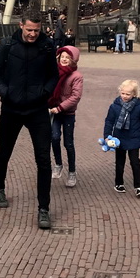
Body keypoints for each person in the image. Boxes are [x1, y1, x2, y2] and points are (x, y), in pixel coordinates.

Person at [0, 9, 60, 230]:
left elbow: (54, 75)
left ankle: (43, 209)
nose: (32, 34)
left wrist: (45, 92)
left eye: (36, 30)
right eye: (29, 30)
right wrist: (6, 93)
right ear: (21, 25)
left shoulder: (47, 46)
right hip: (11, 108)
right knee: (4, 150)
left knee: (44, 159)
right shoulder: (6, 45)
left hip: (37, 109)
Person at [103, 79, 140, 198]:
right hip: (119, 138)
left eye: (128, 94)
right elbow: (109, 122)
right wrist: (106, 137)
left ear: (134, 94)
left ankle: (139, 186)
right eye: (123, 93)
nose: (124, 96)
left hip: (134, 138)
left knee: (135, 162)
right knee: (120, 162)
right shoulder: (114, 106)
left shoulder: (139, 108)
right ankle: (119, 183)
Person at [48, 45, 83, 188]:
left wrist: (60, 107)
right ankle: (58, 164)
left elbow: (76, 96)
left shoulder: (76, 76)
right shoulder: (54, 72)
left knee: (68, 143)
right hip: (54, 112)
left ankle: (72, 172)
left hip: (67, 113)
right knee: (54, 137)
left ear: (73, 60)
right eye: (62, 57)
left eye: (67, 58)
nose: (64, 60)